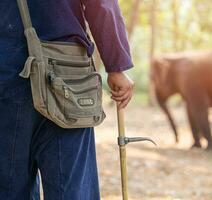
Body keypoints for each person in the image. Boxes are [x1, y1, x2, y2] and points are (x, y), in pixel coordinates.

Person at [0, 0, 134, 199]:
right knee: (71, 190)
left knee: (8, 186)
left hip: (8, 76)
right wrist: (116, 66)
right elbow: (102, 5)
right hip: (68, 78)